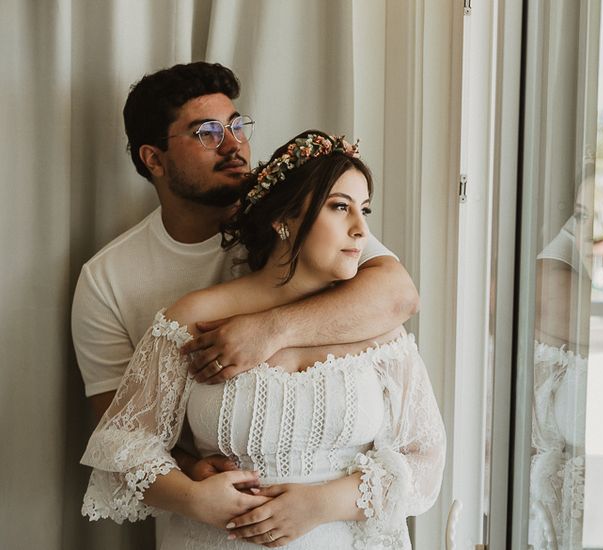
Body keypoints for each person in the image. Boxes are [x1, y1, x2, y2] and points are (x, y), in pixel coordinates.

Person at [80, 130, 446, 549]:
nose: (361, 230)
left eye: (364, 210)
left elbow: (425, 460)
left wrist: (322, 503)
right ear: (283, 219)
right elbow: (120, 446)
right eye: (340, 207)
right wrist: (194, 498)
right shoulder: (193, 320)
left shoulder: (379, 325)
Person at [72, 62, 419, 492]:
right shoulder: (107, 279)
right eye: (208, 133)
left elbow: (397, 296)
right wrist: (189, 470)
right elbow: (118, 427)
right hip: (212, 509)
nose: (234, 145)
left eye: (237, 127)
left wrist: (271, 330)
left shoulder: (300, 226)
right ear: (153, 159)